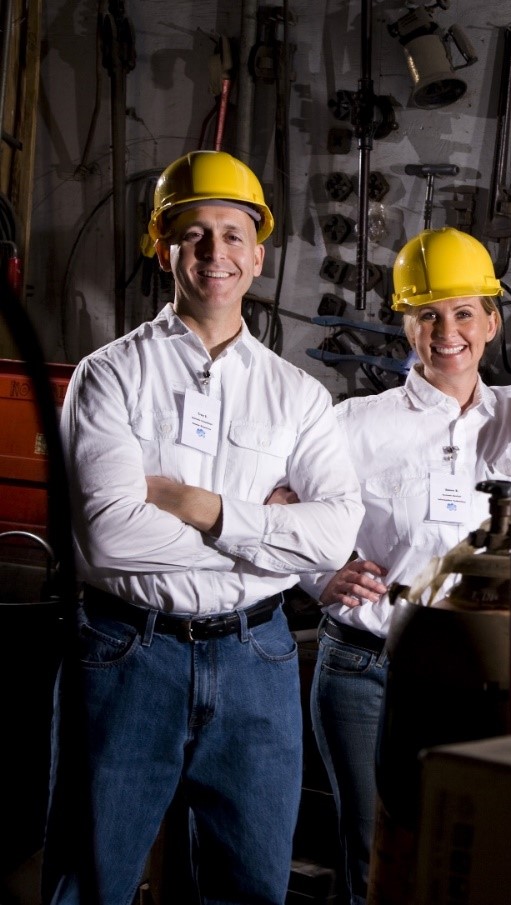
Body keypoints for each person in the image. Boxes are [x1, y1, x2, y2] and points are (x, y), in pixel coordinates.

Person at [46, 149, 364, 905]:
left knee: (250, 887)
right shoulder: (110, 375)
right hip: (127, 651)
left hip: (257, 656)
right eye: (194, 233)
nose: (214, 252)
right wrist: (265, 535)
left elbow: (332, 536)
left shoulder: (299, 396)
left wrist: (199, 507)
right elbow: (110, 535)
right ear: (164, 249)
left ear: (258, 255)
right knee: (92, 880)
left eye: (232, 233)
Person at [299, 226, 511, 905]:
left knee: (476, 859)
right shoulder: (355, 424)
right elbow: (278, 503)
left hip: (489, 672)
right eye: (427, 315)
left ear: (492, 321)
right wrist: (318, 575)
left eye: (464, 313)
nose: (447, 332)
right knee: (376, 855)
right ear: (406, 325)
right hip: (370, 668)